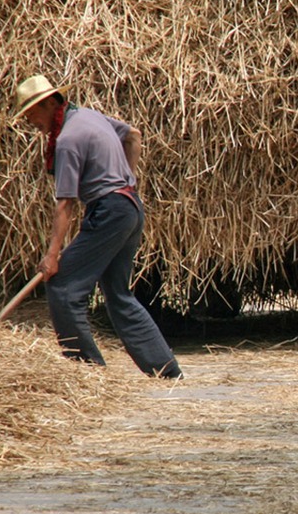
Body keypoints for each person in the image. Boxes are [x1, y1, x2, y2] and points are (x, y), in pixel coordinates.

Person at [13, 75, 182, 378]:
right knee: (118, 294)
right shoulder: (89, 116)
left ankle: (86, 373)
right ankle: (167, 372)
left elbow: (65, 204)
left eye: (31, 113)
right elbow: (133, 134)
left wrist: (52, 256)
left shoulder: (66, 140)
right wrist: (127, 180)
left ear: (51, 103)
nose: (29, 121)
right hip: (130, 206)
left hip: (110, 211)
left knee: (63, 287)